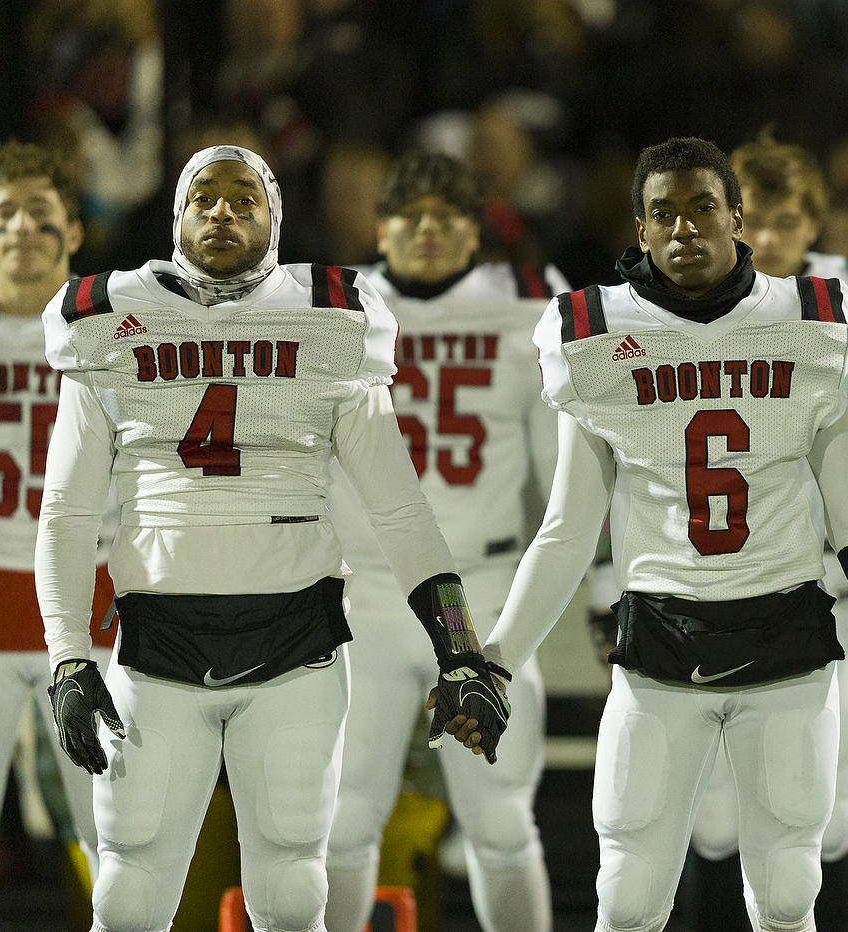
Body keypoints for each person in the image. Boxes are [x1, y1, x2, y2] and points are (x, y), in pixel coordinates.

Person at [36, 144, 508, 932]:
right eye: (204, 199)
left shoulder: (331, 318)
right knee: (126, 894)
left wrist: (458, 649)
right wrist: (67, 658)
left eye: (243, 200)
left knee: (292, 892)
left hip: (296, 642)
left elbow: (400, 510)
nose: (223, 212)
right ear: (177, 216)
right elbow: (67, 512)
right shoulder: (108, 318)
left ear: (276, 217)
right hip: (157, 646)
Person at [480, 136, 848, 932]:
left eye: (702, 209)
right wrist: (494, 662)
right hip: (660, 643)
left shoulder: (815, 322)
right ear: (640, 228)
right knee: (625, 897)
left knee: (791, 895)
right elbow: (564, 532)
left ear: (738, 219)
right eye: (665, 213)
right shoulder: (592, 335)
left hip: (789, 642)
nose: (685, 228)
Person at [675, 131, 848, 931]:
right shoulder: (675, 295)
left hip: (829, 586)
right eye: (758, 220)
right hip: (712, 581)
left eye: (788, 220)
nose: (771, 239)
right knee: (711, 814)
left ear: (817, 223)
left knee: (829, 803)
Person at [323, 149, 569, 932]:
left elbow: (562, 472)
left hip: (487, 586)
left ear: (477, 232)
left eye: (447, 216)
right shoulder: (331, 304)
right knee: (345, 815)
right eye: (411, 215)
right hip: (365, 591)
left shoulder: (529, 303)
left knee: (499, 822)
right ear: (382, 225)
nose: (427, 231)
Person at [0, 140, 115, 886]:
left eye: (38, 214)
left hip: (87, 594)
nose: (18, 230)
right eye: (3, 213)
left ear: (73, 231)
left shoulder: (112, 324)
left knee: (118, 835)